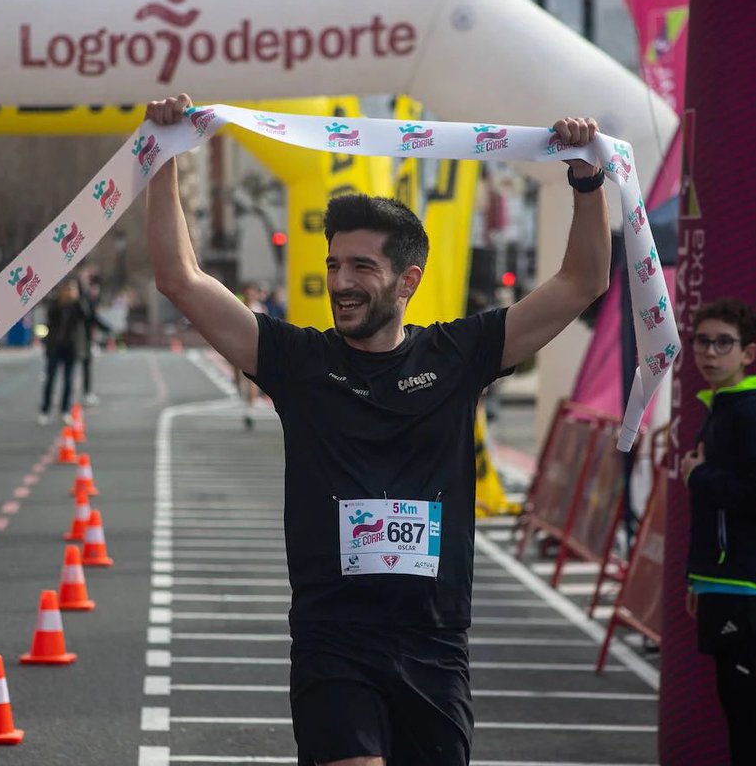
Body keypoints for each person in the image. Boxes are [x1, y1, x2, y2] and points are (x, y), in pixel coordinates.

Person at [144, 94, 610, 766]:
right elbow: (179, 279)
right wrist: (163, 161)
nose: (341, 282)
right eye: (334, 265)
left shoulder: (458, 354)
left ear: (407, 279)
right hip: (335, 635)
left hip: (434, 638)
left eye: (362, 267)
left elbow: (582, 279)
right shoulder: (299, 361)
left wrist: (587, 180)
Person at [680, 298, 756, 765]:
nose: (709, 352)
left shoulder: (751, 410)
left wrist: (698, 477)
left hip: (742, 580)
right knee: (736, 697)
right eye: (702, 341)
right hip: (722, 579)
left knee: (746, 701)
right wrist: (698, 578)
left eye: (723, 342)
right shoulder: (725, 404)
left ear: (748, 353)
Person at [39, 280, 87, 426]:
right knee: (50, 380)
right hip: (55, 347)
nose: (69, 292)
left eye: (72, 289)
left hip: (71, 348)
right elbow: (49, 317)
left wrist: (78, 300)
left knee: (68, 381)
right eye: (67, 289)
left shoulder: (77, 306)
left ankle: (65, 410)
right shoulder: (55, 305)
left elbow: (86, 315)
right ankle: (45, 410)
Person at [234, 282, 268, 429]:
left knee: (252, 381)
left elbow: (268, 328)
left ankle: (250, 412)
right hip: (238, 346)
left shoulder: (260, 309)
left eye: (252, 293)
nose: (250, 296)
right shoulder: (238, 307)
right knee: (239, 381)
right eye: (247, 293)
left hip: (255, 349)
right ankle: (244, 402)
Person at [78, 274, 111, 406]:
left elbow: (93, 318)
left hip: (85, 338)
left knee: (86, 365)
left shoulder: (91, 301)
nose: (96, 292)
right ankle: (86, 393)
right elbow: (92, 318)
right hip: (79, 338)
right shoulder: (85, 300)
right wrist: (107, 328)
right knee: (77, 365)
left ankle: (87, 393)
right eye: (94, 289)